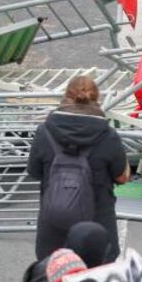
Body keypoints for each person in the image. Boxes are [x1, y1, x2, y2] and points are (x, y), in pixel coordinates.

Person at [27, 77, 130, 261]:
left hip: (54, 226)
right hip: (98, 228)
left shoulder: (45, 131)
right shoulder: (108, 135)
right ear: (96, 99)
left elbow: (34, 172)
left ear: (66, 96)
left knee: (54, 273)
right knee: (97, 275)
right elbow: (121, 176)